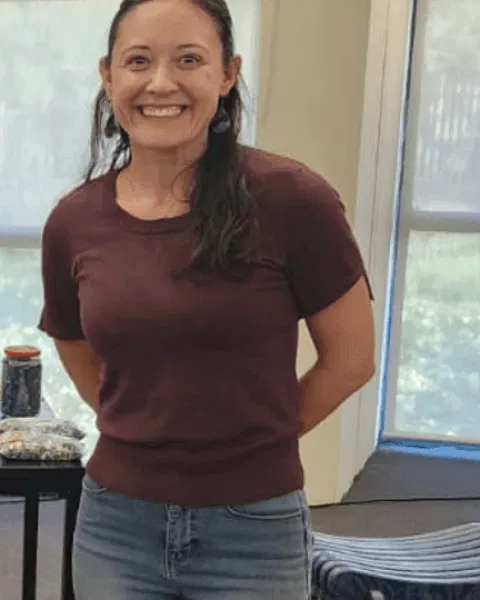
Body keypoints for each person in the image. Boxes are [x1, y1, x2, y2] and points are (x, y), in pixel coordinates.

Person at [37, 0, 376, 598]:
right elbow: (74, 344)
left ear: (226, 73)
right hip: (116, 523)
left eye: (188, 59)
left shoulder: (294, 201)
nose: (160, 83)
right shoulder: (74, 221)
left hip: (255, 527)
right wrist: (145, 427)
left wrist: (254, 440)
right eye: (138, 60)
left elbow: (351, 358)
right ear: (108, 76)